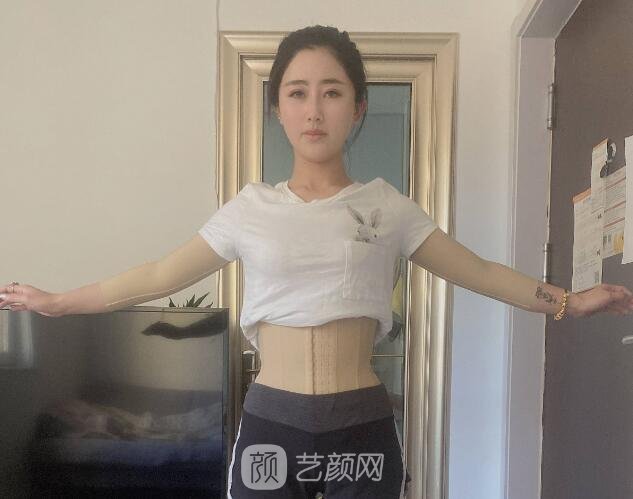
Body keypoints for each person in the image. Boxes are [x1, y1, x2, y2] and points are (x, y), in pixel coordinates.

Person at [2, 24, 633, 499]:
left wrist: (570, 302)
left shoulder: (387, 207)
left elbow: (480, 271)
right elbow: (159, 275)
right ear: (278, 107)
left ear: (357, 107)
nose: (313, 109)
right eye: (297, 93)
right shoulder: (250, 209)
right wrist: (58, 303)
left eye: (331, 93)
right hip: (271, 423)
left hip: (362, 424)